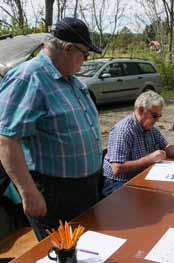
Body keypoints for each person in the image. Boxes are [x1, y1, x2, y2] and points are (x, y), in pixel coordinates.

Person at [0, 17, 103, 240]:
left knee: (89, 248)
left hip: (84, 189)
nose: (85, 61)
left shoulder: (70, 79)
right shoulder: (28, 77)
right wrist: (28, 192)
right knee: (63, 253)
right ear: (68, 49)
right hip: (54, 194)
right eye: (85, 55)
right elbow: (6, 138)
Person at [103, 91, 174, 196]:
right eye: (154, 116)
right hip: (119, 182)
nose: (157, 120)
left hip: (142, 176)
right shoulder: (123, 130)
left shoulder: (150, 127)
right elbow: (117, 168)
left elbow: (166, 146)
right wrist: (149, 160)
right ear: (140, 111)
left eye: (159, 116)